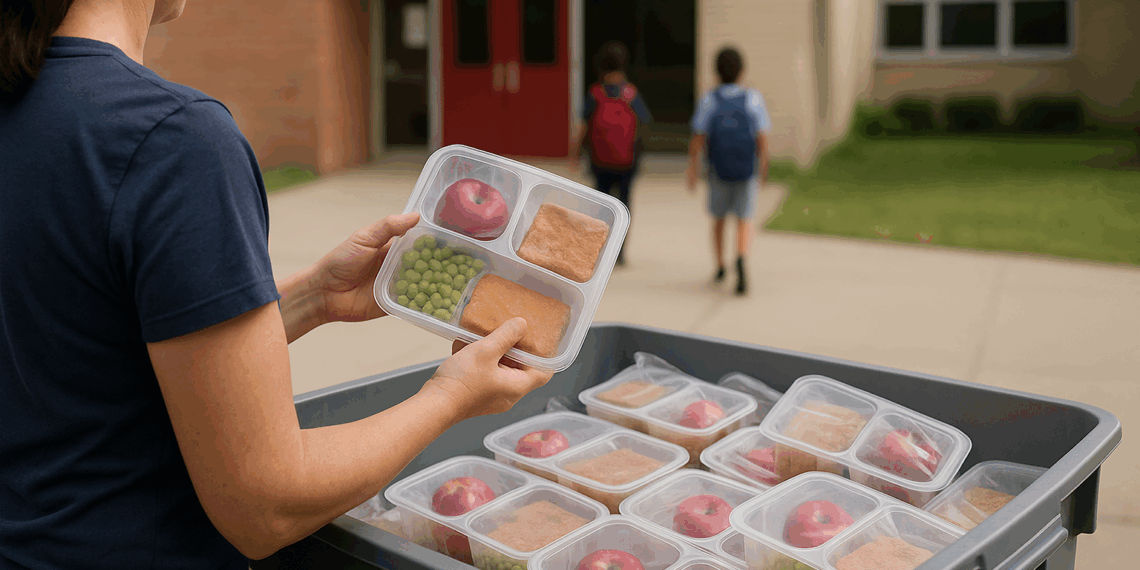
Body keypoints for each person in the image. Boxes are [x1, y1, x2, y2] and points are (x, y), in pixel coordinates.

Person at [0, 2, 552, 569]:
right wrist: (452, 396)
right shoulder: (172, 140)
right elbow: (267, 506)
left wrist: (313, 298)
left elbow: (75, 345)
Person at [685, 46, 771, 296]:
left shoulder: (709, 99)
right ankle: (742, 257)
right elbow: (762, 137)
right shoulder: (753, 98)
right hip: (746, 170)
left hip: (717, 170)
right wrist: (763, 165)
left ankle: (721, 265)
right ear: (741, 72)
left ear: (716, 72)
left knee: (718, 219)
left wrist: (693, 169)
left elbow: (698, 138)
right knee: (744, 219)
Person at [571, 41, 652, 266]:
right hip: (627, 161)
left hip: (600, 161)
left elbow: (583, 127)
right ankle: (621, 253)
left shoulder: (595, 93)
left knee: (602, 206)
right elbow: (645, 121)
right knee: (624, 207)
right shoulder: (631, 93)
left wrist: (574, 154)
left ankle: (601, 249)